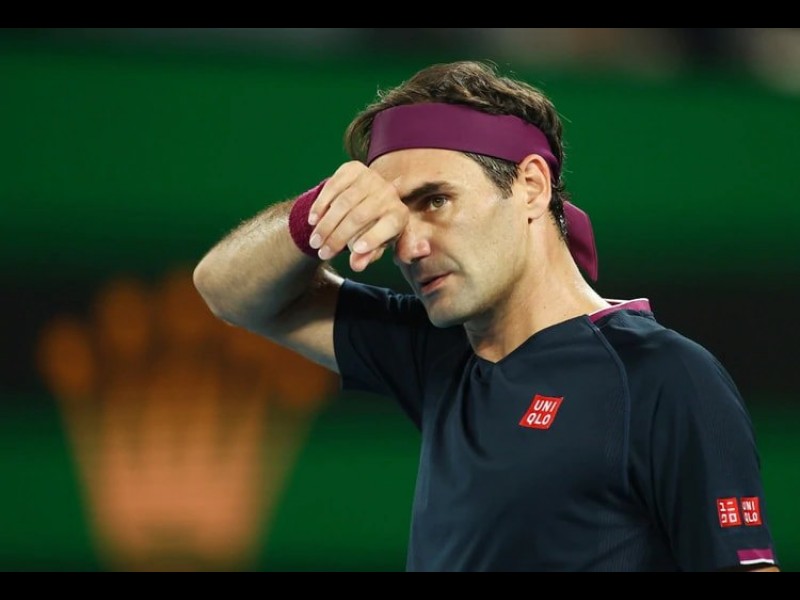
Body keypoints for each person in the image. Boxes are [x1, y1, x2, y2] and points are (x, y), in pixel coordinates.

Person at [192, 60, 780, 572]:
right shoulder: (433, 351)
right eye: (394, 219)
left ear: (531, 186)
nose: (409, 247)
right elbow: (225, 291)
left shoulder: (664, 376)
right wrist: (317, 214)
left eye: (435, 201)